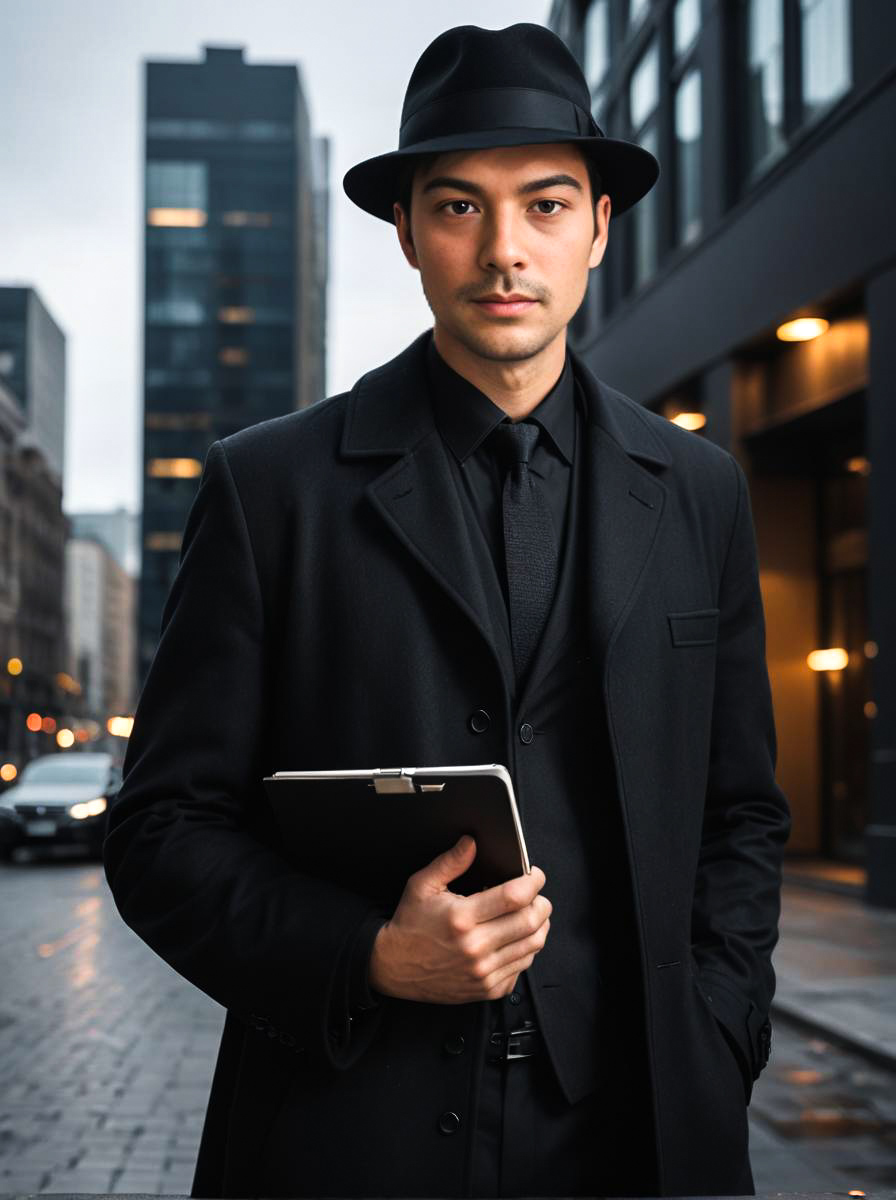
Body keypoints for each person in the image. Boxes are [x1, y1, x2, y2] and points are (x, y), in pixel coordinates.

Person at [103, 22, 791, 1200]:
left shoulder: (699, 492)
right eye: (460, 207)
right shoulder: (270, 490)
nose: (504, 251)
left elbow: (739, 814)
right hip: (345, 1132)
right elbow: (162, 829)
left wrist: (714, 1036)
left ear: (597, 229)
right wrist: (364, 955)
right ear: (409, 234)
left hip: (640, 1137)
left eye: (546, 205)